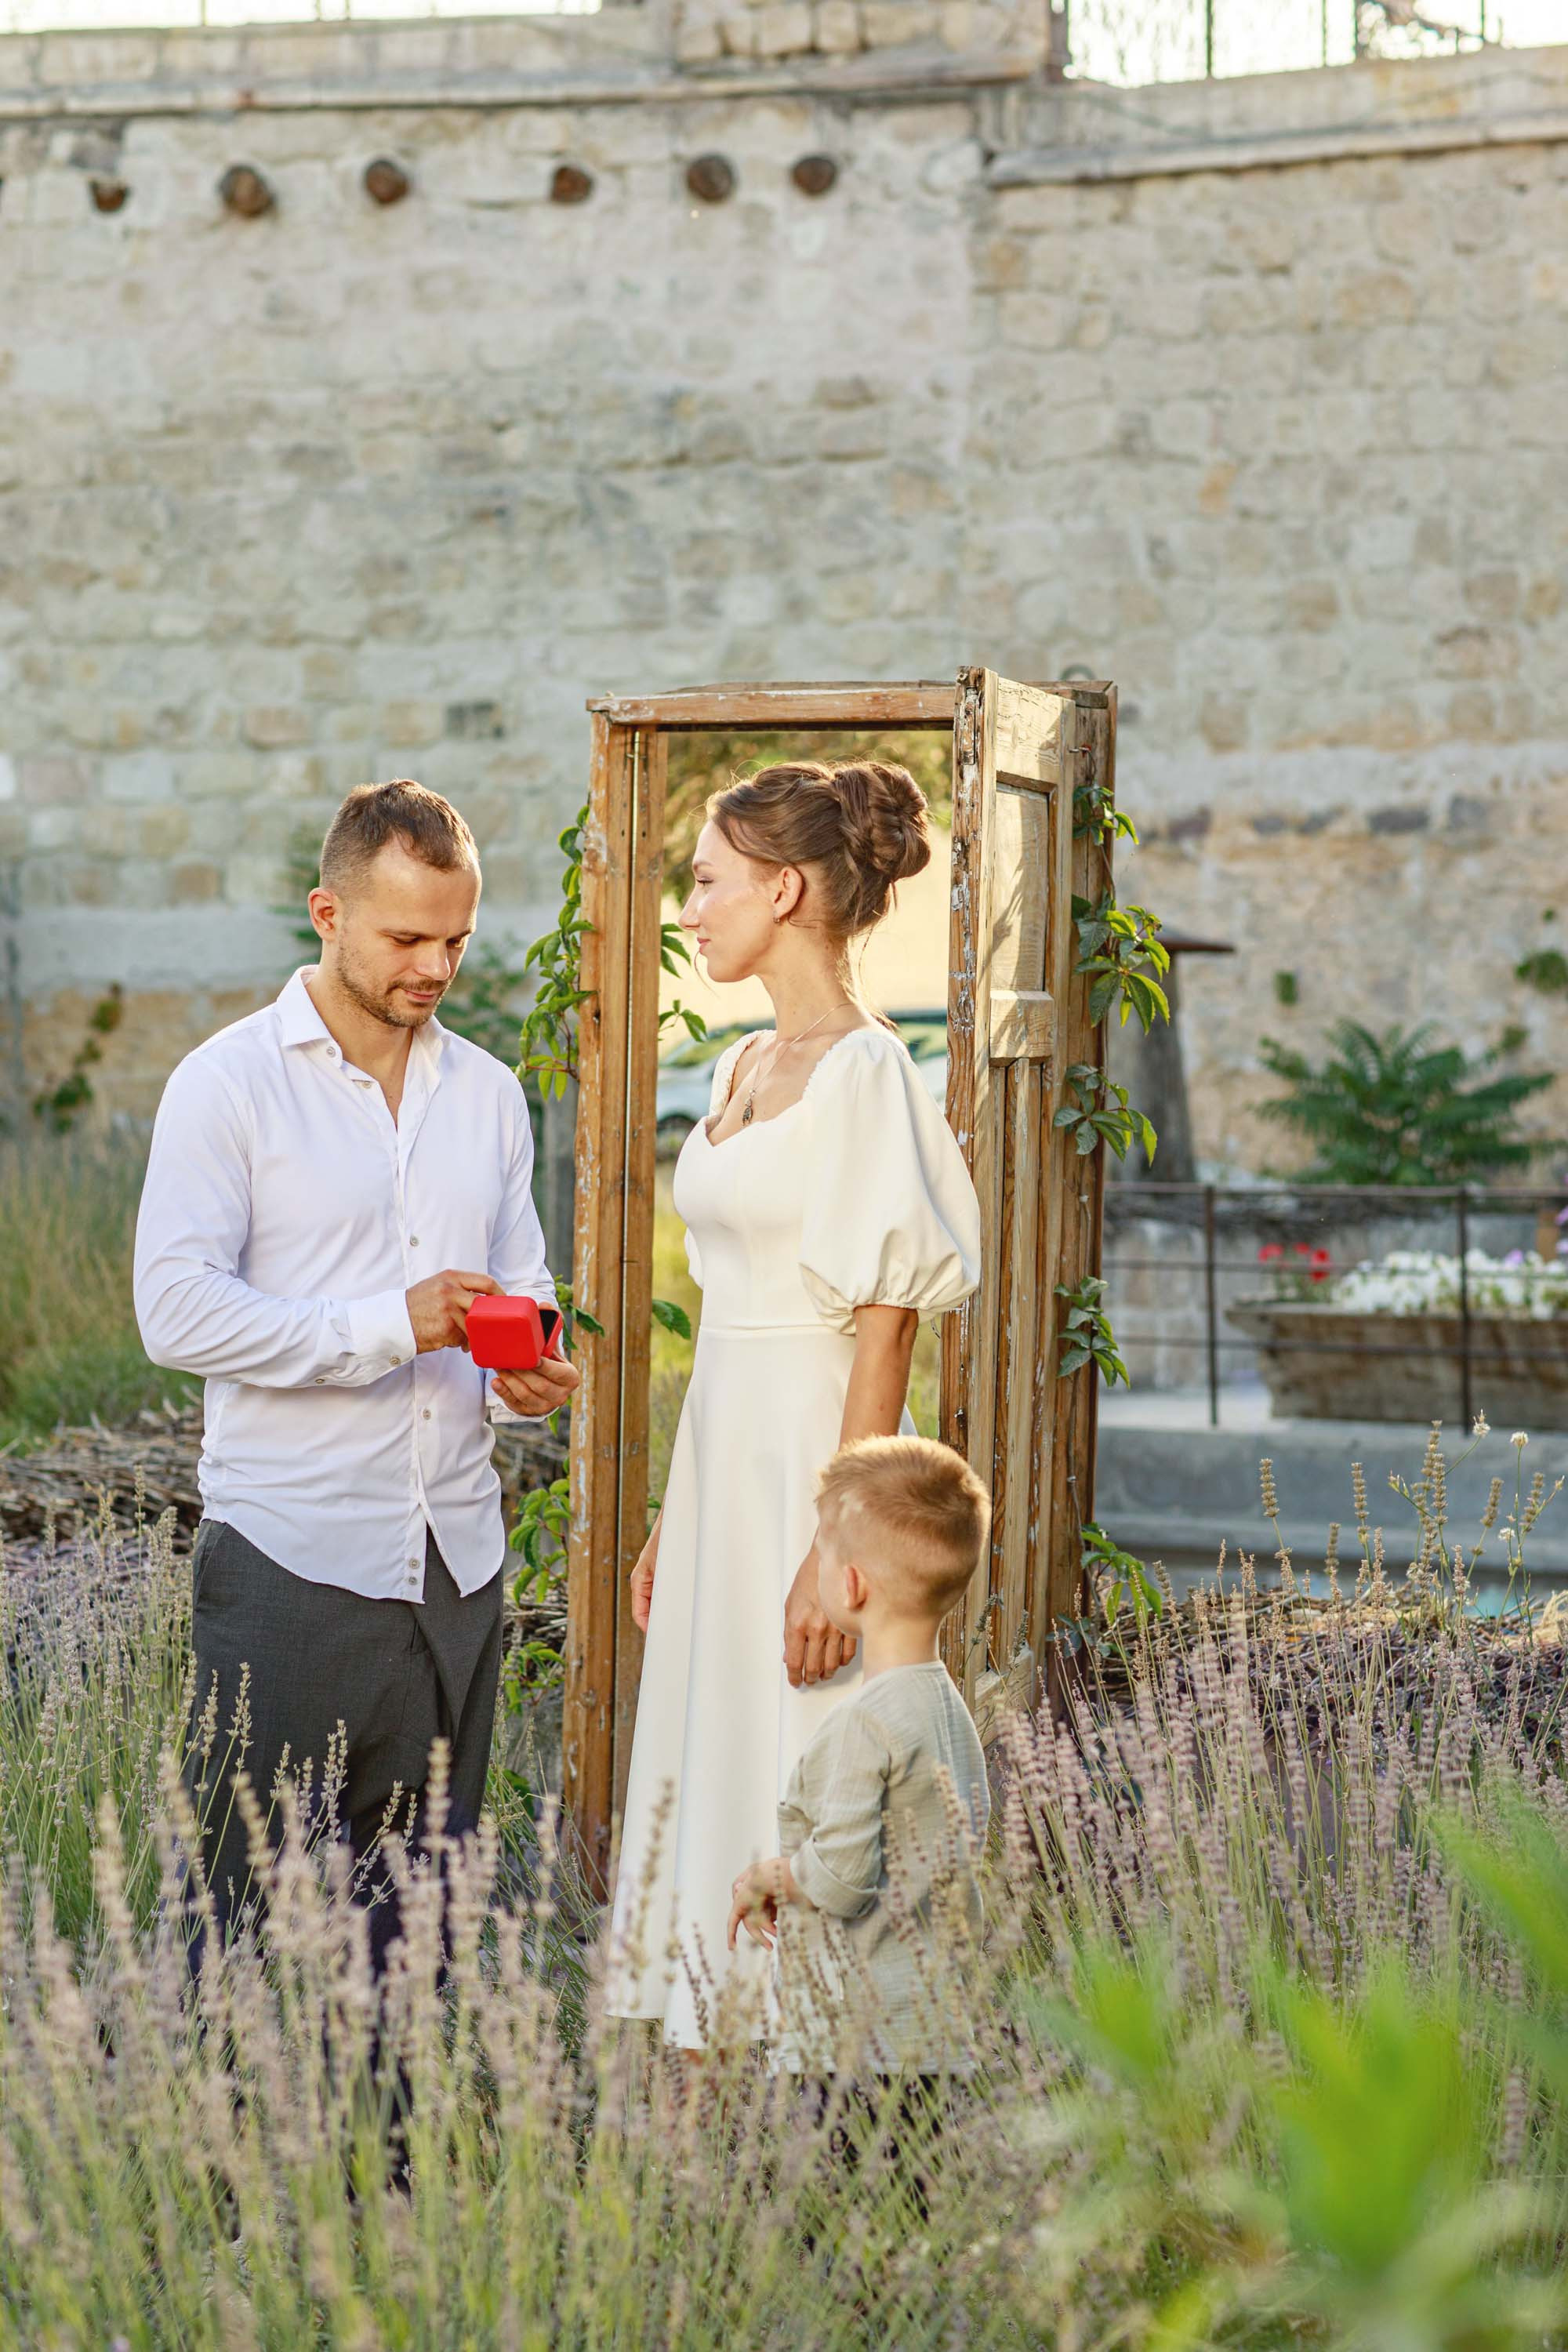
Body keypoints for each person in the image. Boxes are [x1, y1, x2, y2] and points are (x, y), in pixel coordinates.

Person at [134, 779, 579, 1965]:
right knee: (233, 1926)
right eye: (406, 938)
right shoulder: (225, 1085)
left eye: (457, 939)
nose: (436, 966)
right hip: (293, 1560)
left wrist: (521, 1363)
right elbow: (173, 1312)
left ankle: (390, 2156)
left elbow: (520, 1278)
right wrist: (392, 1324)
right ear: (327, 913)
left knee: (420, 1930)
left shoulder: (486, 1093)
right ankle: (212, 2152)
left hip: (457, 1565)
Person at [607, 760, 982, 2049]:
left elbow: (885, 1336)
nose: (692, 909)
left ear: (784, 886)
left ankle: (819, 2065)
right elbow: (721, 1325)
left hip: (815, 1468)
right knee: (716, 1737)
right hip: (726, 1461)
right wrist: (672, 1514)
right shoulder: (743, 1064)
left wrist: (840, 1550)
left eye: (706, 882)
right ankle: (716, 2032)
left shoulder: (869, 1074)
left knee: (800, 1741)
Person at [726, 1435, 992, 2080]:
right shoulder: (948, 1709)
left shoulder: (865, 1723)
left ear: (851, 1584)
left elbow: (844, 1880)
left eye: (819, 1549)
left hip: (855, 2045)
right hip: (935, 2031)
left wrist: (770, 1878)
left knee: (831, 2183)